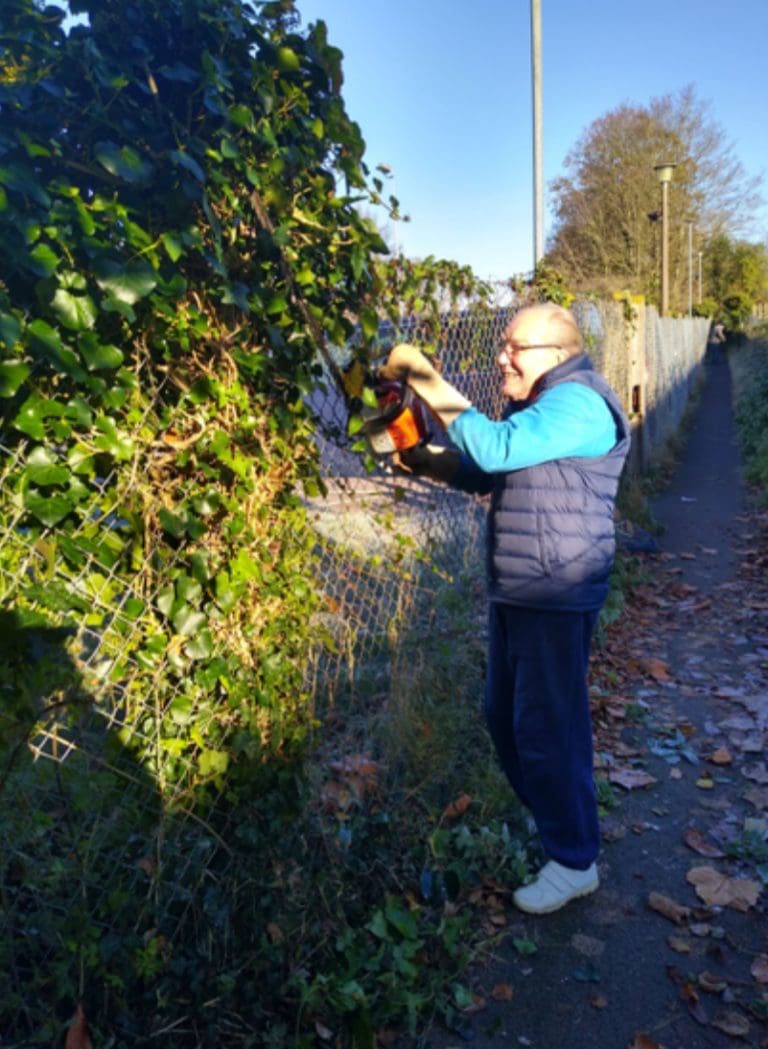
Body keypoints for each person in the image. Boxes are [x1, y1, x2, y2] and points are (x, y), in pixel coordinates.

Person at [379, 303, 630, 915]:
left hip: (555, 588)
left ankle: (574, 861)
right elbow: (485, 473)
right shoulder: (543, 406)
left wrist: (427, 379)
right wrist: (417, 451)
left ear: (555, 352)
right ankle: (557, 828)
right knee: (506, 718)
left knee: (549, 729)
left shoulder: (578, 402)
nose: (501, 356)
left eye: (515, 347)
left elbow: (493, 449)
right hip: (522, 586)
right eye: (503, 345)